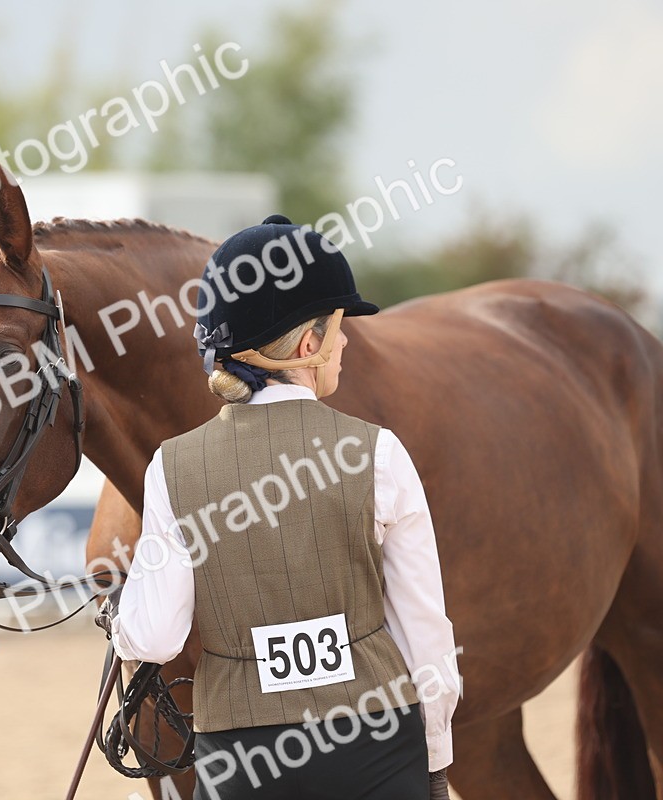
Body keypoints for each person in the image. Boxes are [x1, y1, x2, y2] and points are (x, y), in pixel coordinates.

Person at [105, 216, 459, 800]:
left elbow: (157, 638)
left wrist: (120, 621)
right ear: (309, 343)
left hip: (241, 761)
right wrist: (436, 760)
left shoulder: (171, 468)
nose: (345, 343)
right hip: (375, 745)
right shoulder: (380, 453)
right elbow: (424, 631)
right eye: (341, 329)